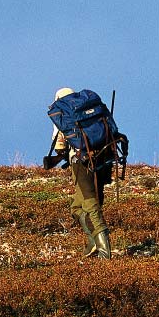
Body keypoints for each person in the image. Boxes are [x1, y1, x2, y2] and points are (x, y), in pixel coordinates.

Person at [49, 87, 112, 259]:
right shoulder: (93, 109)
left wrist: (56, 158)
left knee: (90, 204)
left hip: (81, 162)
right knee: (78, 206)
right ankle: (94, 242)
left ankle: (105, 251)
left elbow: (59, 145)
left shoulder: (64, 114)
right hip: (104, 158)